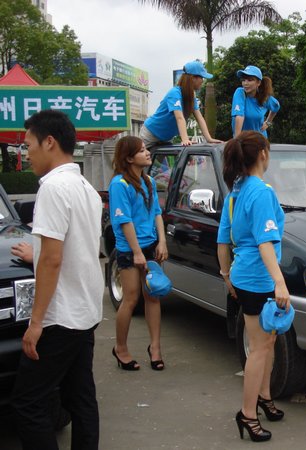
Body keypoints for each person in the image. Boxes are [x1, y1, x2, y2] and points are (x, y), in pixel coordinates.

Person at [10, 109, 104, 450]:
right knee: (81, 398)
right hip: (85, 312)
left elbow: (52, 259)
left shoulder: (52, 187)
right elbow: (74, 247)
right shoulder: (85, 188)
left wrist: (36, 323)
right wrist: (37, 253)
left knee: (27, 403)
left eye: (29, 145)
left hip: (59, 317)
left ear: (49, 142)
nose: (26, 153)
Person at [216, 131, 289, 442]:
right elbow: (265, 243)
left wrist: (226, 275)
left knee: (267, 342)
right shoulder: (260, 192)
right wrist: (280, 281)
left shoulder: (237, 190)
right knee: (259, 349)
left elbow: (223, 239)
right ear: (262, 154)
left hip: (244, 276)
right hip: (259, 279)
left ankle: (264, 397)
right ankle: (247, 414)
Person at [109, 136, 168, 371]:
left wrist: (162, 242)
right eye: (142, 150)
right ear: (129, 158)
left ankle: (155, 348)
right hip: (129, 250)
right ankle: (121, 349)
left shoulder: (149, 181)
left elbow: (157, 213)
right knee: (131, 298)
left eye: (145, 149)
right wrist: (136, 252)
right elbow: (124, 220)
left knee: (154, 295)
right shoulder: (119, 184)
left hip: (150, 246)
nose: (147, 153)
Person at [140, 59, 222, 149]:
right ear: (193, 78)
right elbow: (179, 118)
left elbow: (199, 118)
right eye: (201, 77)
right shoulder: (174, 93)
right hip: (150, 133)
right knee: (140, 157)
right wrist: (185, 139)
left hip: (166, 138)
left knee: (163, 159)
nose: (202, 81)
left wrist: (209, 139)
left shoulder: (191, 96)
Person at [231, 65, 280, 138]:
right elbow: (239, 116)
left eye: (250, 80)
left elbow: (276, 106)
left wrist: (268, 122)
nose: (245, 83)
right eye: (243, 80)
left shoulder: (264, 97)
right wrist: (237, 140)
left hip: (260, 141)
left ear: (258, 83)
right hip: (241, 140)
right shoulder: (240, 92)